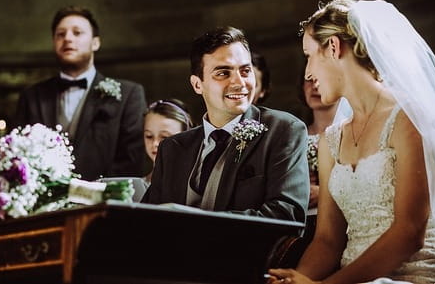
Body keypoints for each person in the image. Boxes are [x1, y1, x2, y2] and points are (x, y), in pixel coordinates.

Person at [268, 0, 435, 284]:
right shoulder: (331, 141)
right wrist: (297, 279)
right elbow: (327, 241)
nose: (308, 73)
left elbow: (409, 233)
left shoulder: (409, 119)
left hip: (413, 277)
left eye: (309, 55)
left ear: (334, 47)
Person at [143, 26, 309, 223]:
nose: (239, 82)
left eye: (245, 71)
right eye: (223, 73)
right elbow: (148, 220)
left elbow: (287, 214)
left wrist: (199, 223)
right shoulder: (172, 148)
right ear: (197, 84)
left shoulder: (283, 130)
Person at [14, 6, 147, 181]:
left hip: (105, 201)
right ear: (54, 42)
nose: (67, 38)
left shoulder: (129, 94)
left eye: (77, 33)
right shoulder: (32, 97)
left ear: (95, 43)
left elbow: (133, 158)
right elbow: (18, 155)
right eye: (60, 34)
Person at [300, 76, 338, 242]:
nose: (314, 86)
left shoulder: (350, 135)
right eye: (308, 80)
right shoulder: (295, 136)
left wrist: (323, 192)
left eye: (319, 79)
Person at [143, 98, 193, 184]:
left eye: (164, 137)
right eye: (149, 136)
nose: (155, 143)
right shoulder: (132, 187)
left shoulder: (193, 187)